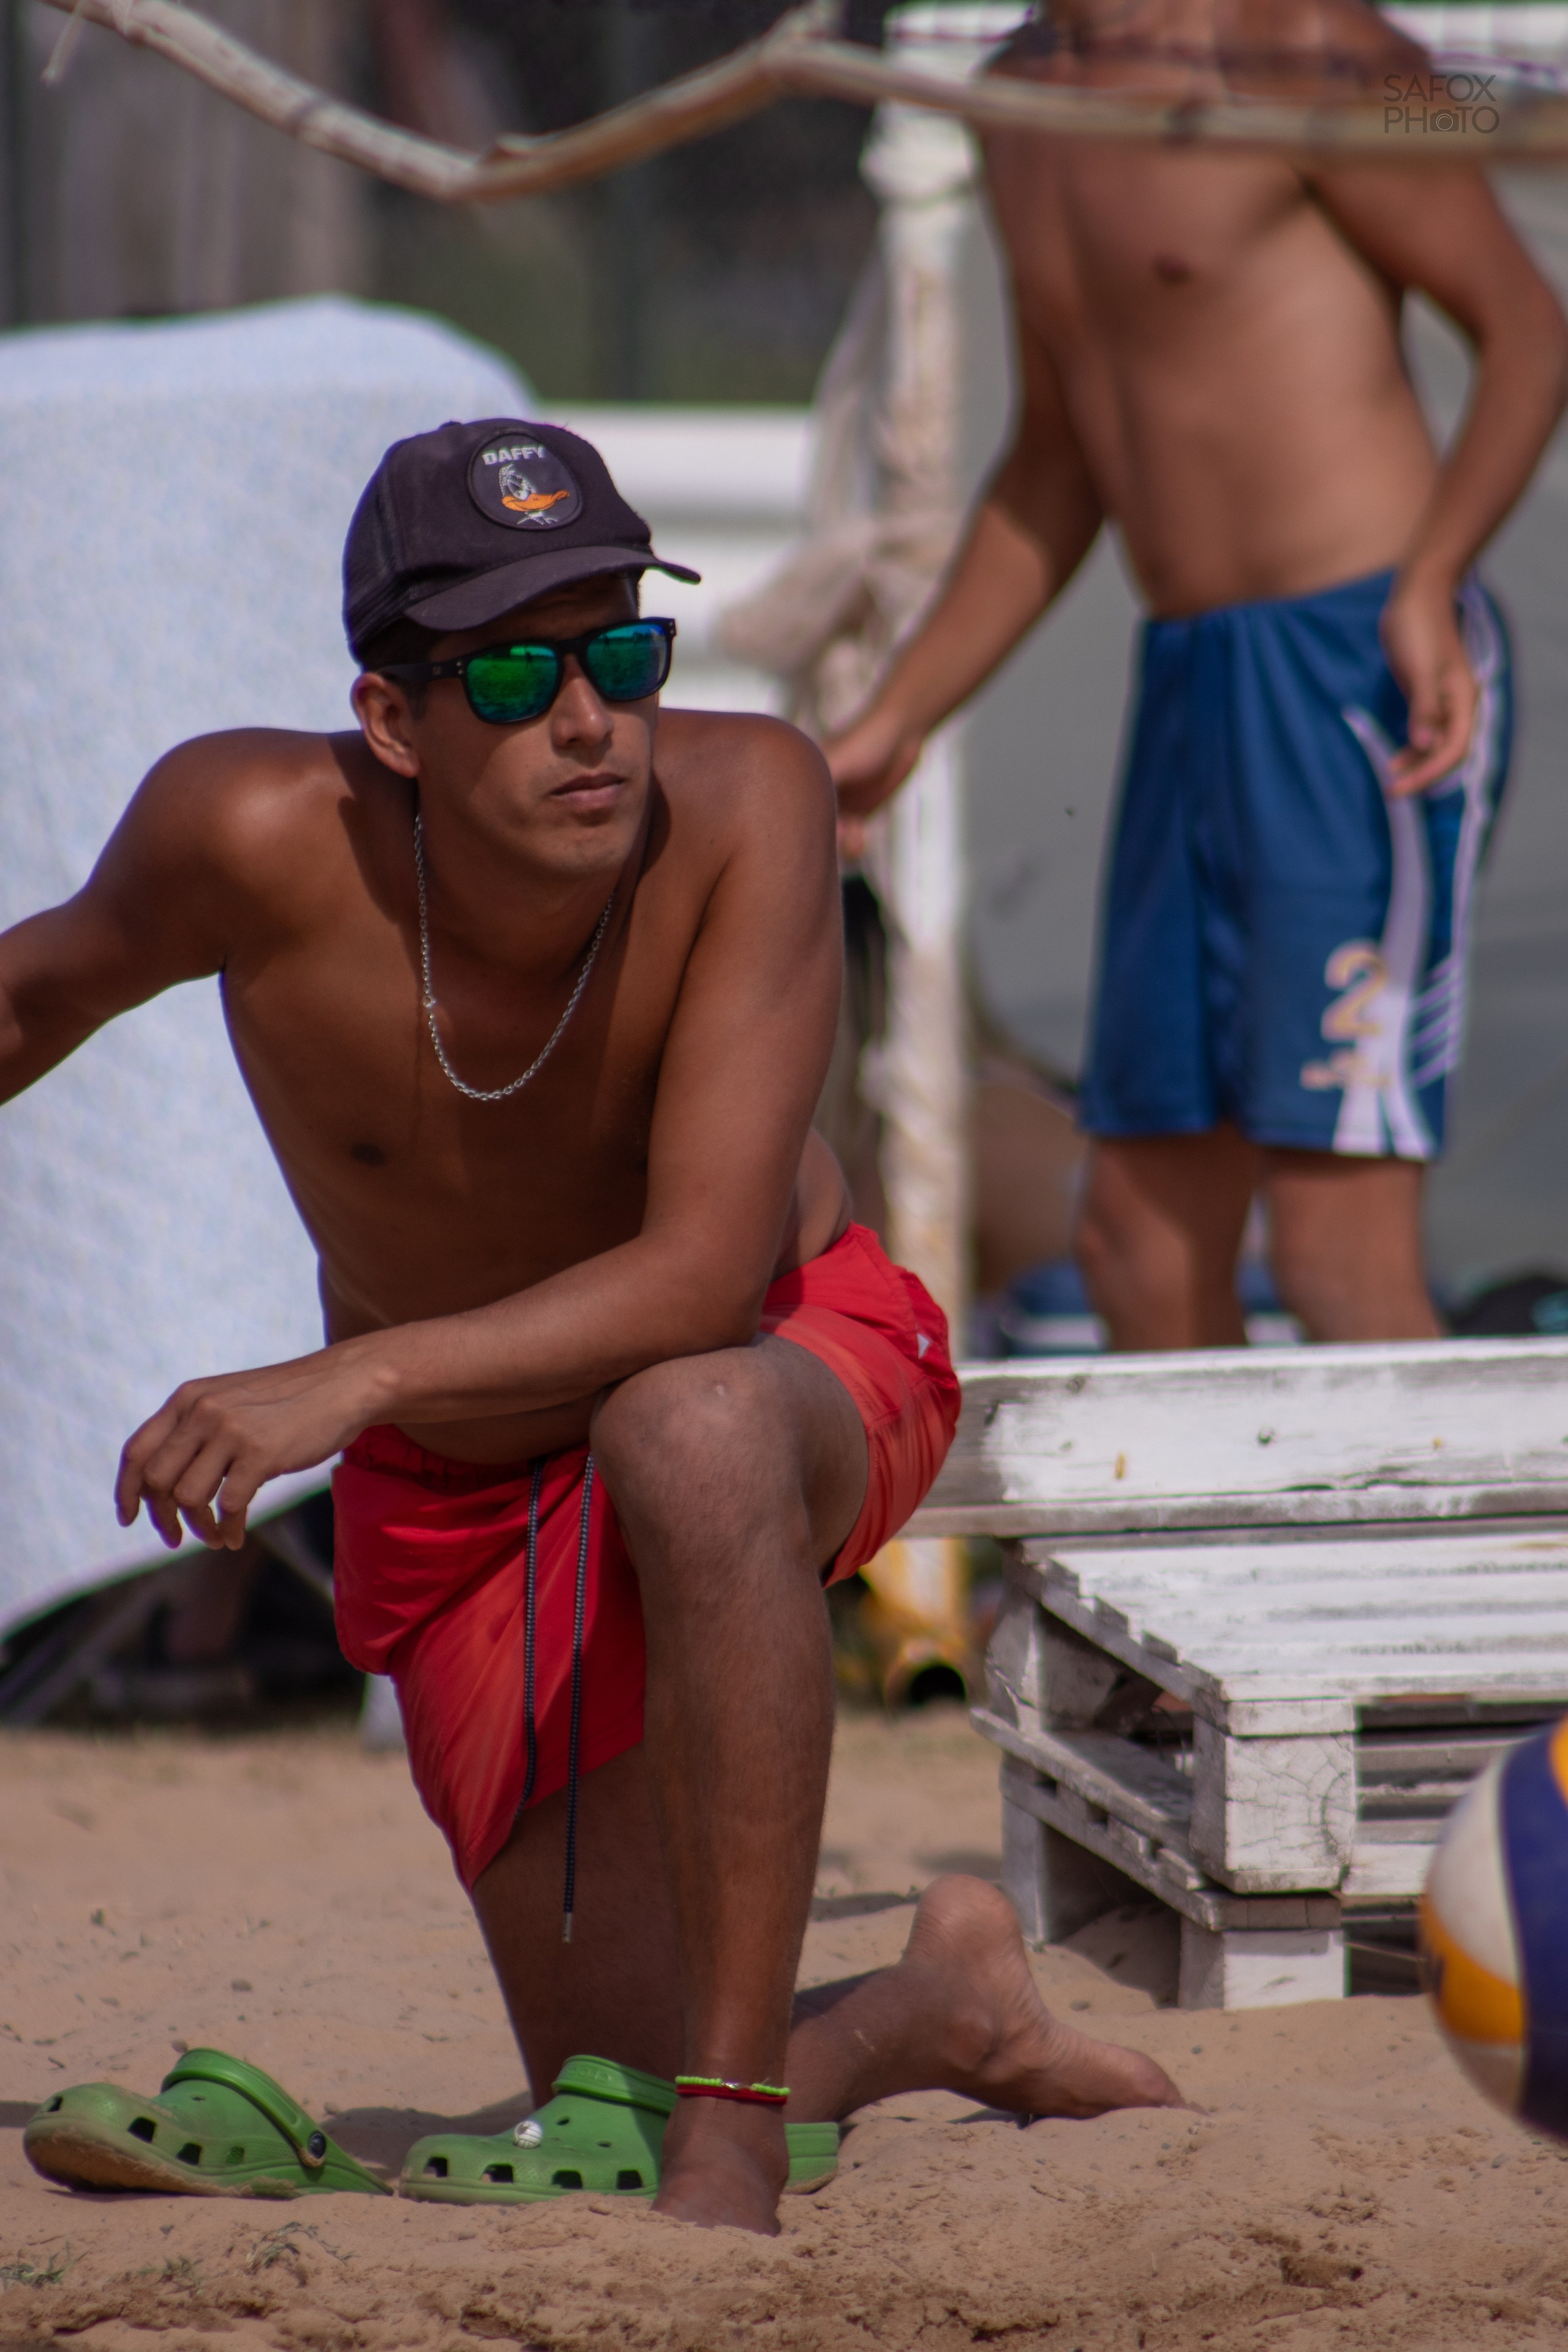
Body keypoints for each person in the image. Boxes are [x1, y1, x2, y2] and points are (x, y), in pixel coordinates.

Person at [1, 418, 1178, 2235]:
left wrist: (351, 1376)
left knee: (684, 1422)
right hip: (466, 1489)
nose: (589, 719)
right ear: (394, 719)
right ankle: (938, 2007)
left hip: (778, 1362)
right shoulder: (246, 838)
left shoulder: (750, 806)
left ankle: (736, 2136)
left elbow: (702, 1280)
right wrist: (387, 1395)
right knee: (602, 2086)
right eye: (516, 675)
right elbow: (27, 1003)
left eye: (624, 652)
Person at [828, 0, 1568, 1350]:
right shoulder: (1019, 95)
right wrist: (895, 718)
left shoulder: (1303, 47)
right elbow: (1055, 461)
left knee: (1335, 1254)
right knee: (1137, 1249)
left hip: (1363, 674)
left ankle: (1415, 1506)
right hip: (1191, 681)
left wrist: (1429, 578)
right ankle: (1223, 1506)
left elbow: (1528, 328)